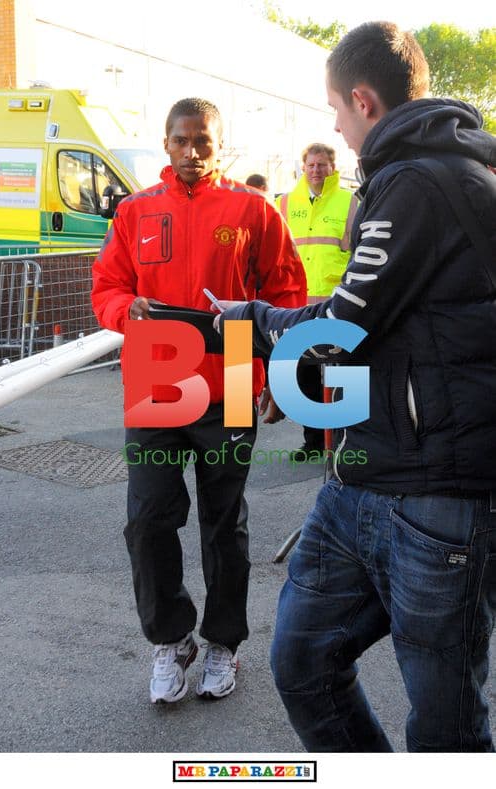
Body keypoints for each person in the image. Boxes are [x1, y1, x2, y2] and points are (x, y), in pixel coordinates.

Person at [214, 23, 496, 751]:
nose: (335, 129)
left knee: (446, 725)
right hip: (363, 478)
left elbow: (343, 323)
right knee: (303, 661)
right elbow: (385, 328)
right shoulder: (409, 176)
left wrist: (252, 319)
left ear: (364, 100)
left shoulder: (422, 181)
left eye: (336, 110)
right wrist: (298, 369)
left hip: (436, 498)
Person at [91, 97, 306, 704]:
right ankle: (170, 640)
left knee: (223, 523)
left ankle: (222, 643)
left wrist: (280, 377)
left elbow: (287, 293)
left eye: (203, 142)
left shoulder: (252, 209)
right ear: (165, 143)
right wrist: (122, 309)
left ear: (219, 144)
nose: (191, 152)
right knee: (148, 517)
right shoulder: (136, 211)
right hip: (159, 379)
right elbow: (108, 286)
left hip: (234, 374)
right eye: (181, 141)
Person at [276, 144, 358, 460]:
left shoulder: (350, 202)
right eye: (311, 164)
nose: (316, 170)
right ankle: (312, 442)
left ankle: (345, 442)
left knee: (343, 374)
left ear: (333, 167)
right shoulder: (283, 203)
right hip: (298, 306)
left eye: (322, 164)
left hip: (340, 304)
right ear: (303, 166)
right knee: (305, 375)